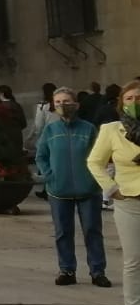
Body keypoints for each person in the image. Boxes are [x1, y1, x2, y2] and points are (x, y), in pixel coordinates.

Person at [36, 88, 109, 288]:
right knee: (63, 232)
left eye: (66, 101)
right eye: (58, 102)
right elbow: (40, 155)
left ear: (76, 104)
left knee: (93, 230)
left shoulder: (89, 129)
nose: (62, 105)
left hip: (89, 190)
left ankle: (98, 271)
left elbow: (100, 155)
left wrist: (96, 178)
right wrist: (49, 175)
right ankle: (67, 269)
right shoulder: (50, 130)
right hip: (58, 190)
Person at [87, 82, 140, 305]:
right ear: (121, 103)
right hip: (129, 201)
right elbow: (95, 162)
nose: (134, 102)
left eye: (138, 97)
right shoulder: (112, 130)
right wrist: (111, 188)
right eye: (128, 98)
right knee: (134, 261)